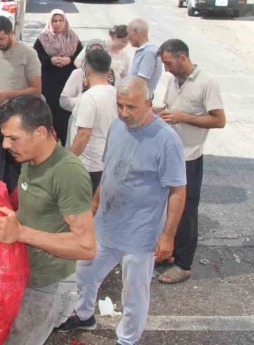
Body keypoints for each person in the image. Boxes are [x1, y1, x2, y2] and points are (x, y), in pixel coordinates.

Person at [56, 77, 187, 345]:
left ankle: (127, 339)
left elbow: (177, 191)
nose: (124, 113)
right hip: (106, 225)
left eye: (131, 107)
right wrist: (94, 205)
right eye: (120, 106)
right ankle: (83, 315)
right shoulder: (117, 126)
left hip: (140, 234)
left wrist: (168, 236)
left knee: (134, 294)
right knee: (85, 273)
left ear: (148, 104)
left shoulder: (167, 140)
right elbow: (111, 170)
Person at [0, 95, 96, 345]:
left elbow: (86, 246)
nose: (5, 144)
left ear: (39, 132)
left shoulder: (67, 173)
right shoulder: (30, 159)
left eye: (13, 137)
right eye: (4, 136)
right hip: (24, 275)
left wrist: (21, 233)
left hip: (44, 286)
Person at [155, 39, 226, 285]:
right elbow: (169, 107)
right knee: (168, 209)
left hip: (189, 156)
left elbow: (219, 120)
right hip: (169, 153)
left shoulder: (206, 83)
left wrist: (183, 117)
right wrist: (158, 111)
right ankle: (167, 252)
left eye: (168, 63)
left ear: (182, 57)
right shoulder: (175, 81)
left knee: (186, 211)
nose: (166, 69)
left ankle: (183, 263)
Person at [0, 16, 42, 189]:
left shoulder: (28, 54)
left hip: (18, 122)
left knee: (15, 168)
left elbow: (36, 90)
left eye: (2, 39)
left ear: (11, 33)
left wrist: (8, 94)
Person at [67, 49, 118, 193]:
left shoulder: (89, 98)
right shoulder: (115, 93)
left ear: (87, 70)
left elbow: (83, 134)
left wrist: (69, 161)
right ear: (109, 71)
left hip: (89, 166)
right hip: (108, 162)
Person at [33, 9, 83, 146]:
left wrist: (69, 60)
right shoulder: (43, 39)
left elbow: (82, 59)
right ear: (50, 22)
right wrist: (51, 60)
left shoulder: (73, 38)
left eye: (61, 21)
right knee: (50, 112)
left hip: (68, 82)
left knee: (65, 115)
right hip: (49, 83)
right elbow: (36, 59)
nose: (58, 24)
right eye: (54, 21)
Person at [61, 39, 119, 115]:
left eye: (99, 51)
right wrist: (86, 101)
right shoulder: (78, 73)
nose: (96, 54)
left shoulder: (114, 75)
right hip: (81, 116)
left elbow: (119, 100)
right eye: (93, 51)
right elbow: (64, 100)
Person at [127, 18, 161, 99]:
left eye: (129, 33)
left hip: (140, 100)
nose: (128, 37)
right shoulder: (144, 51)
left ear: (136, 32)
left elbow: (141, 83)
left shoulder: (148, 52)